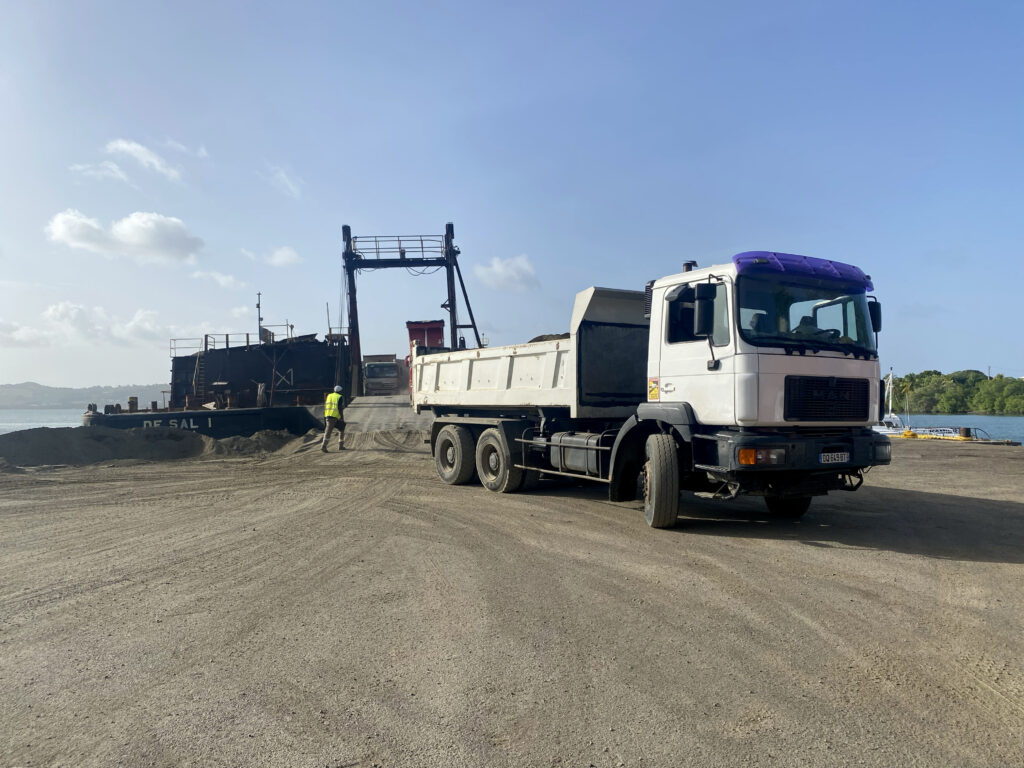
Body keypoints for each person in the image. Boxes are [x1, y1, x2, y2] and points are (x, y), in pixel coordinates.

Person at [321, 386, 345, 452]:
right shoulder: (339, 397)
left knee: (328, 431)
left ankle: (324, 446)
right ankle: (340, 445)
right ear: (340, 391)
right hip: (336, 416)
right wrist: (341, 418)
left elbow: (326, 405)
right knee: (341, 429)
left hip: (328, 416)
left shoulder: (329, 396)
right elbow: (340, 408)